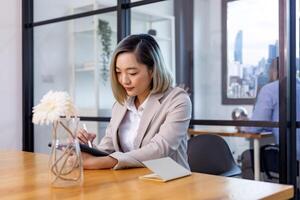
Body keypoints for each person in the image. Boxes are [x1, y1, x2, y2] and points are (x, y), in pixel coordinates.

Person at [77, 34, 192, 170]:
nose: (124, 80)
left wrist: (95, 162)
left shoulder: (177, 100)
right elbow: (108, 149)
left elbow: (160, 149)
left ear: (152, 70)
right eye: (118, 72)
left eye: (132, 73)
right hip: (131, 180)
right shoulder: (121, 104)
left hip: (169, 178)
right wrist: (89, 148)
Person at [244, 57, 300, 160]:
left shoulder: (270, 89)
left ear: (275, 71)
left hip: (290, 159)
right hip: (295, 159)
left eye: (270, 70)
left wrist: (242, 124)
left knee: (247, 157)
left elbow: (256, 127)